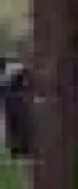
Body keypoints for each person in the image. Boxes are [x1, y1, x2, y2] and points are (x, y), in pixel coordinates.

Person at [1, 53, 33, 187]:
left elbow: (10, 122)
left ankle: (27, 184)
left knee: (25, 163)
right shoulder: (18, 96)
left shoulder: (12, 96)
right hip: (24, 136)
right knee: (27, 162)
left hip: (21, 137)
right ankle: (28, 184)